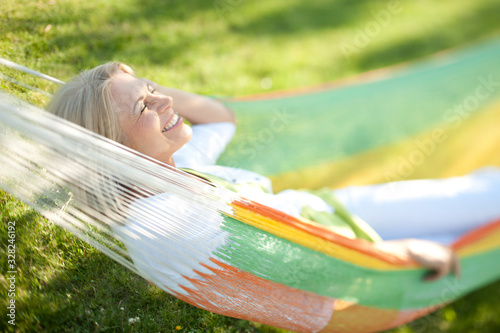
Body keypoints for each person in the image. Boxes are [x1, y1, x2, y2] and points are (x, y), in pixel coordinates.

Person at [47, 62, 500, 283]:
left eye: (154, 88)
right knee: (485, 225)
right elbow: (297, 267)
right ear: (112, 148)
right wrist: (403, 253)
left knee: (485, 196)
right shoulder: (172, 221)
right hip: (355, 254)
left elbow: (220, 117)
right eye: (145, 106)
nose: (166, 101)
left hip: (330, 213)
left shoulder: (172, 170)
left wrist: (141, 90)